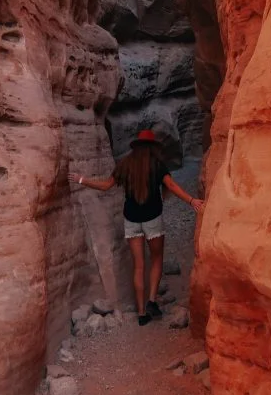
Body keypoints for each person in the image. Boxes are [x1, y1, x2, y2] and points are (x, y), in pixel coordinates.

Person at [69, 129, 202, 327]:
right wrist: (192, 201)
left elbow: (106, 186)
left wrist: (82, 179)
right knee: (156, 259)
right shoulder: (157, 165)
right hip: (152, 219)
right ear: (152, 147)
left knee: (138, 266)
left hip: (131, 220)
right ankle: (152, 301)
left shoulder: (126, 164)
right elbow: (172, 187)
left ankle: (141, 313)